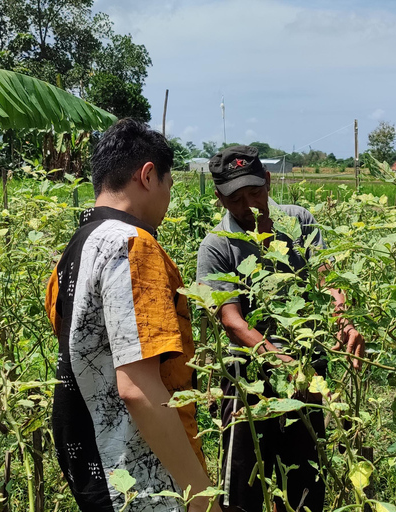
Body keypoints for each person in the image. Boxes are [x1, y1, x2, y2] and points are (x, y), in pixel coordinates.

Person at [45, 119, 220, 512]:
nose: (169, 197)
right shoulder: (131, 246)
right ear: (147, 175)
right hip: (140, 475)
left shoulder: (74, 249)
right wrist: (201, 498)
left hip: (91, 462)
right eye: (169, 185)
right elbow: (137, 388)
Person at [196, 145, 365, 512]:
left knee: (304, 485)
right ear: (219, 199)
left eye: (255, 193)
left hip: (306, 373)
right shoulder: (217, 245)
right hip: (248, 380)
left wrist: (343, 321)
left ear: (269, 182)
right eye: (235, 198)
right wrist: (281, 361)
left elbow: (327, 283)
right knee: (244, 488)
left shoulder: (299, 222)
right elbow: (231, 320)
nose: (249, 206)